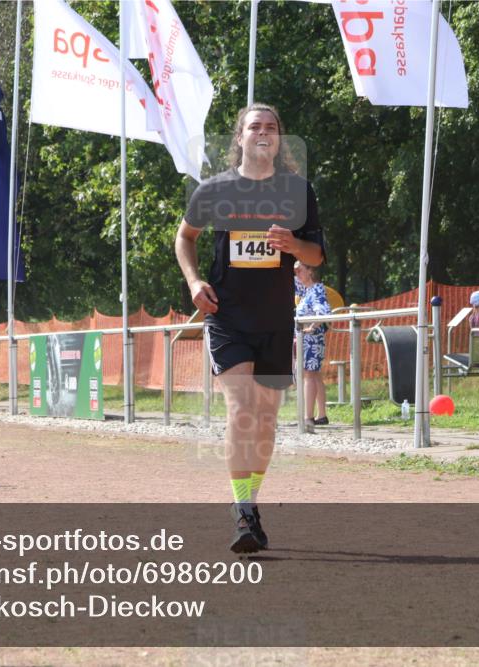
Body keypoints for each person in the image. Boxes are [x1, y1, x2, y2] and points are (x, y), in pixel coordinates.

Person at [176, 103, 325, 553]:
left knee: (266, 419)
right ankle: (243, 514)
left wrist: (293, 244)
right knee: (242, 410)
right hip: (228, 316)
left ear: (279, 140)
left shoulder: (297, 191)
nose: (264, 133)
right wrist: (195, 280)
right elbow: (185, 237)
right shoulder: (216, 189)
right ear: (239, 138)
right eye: (254, 126)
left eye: (272, 127)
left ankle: (252, 503)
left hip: (277, 319)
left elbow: (316, 256)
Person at [294, 261, 331, 427]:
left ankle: (308, 416)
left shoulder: (316, 289)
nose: (297, 274)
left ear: (310, 271)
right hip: (309, 339)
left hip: (312, 339)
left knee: (309, 375)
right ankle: (321, 415)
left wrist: (311, 327)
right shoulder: (307, 290)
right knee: (314, 375)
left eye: (299, 270)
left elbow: (323, 311)